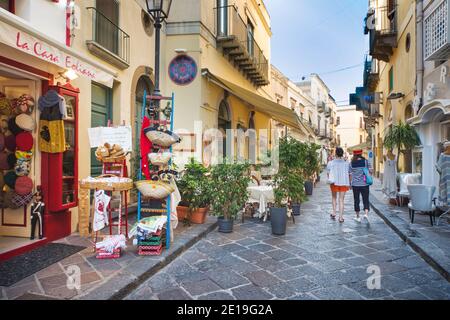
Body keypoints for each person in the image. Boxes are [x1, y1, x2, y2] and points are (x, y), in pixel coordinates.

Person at [327, 147, 351, 223]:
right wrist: (349, 182)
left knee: (334, 197)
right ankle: (341, 217)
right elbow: (349, 173)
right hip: (343, 182)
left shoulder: (331, 163)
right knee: (341, 200)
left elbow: (328, 173)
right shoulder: (346, 163)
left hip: (334, 182)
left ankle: (334, 213)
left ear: (336, 153)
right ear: (342, 153)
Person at [349, 150, 372, 222]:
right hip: (365, 184)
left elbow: (350, 174)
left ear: (354, 155)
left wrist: (350, 184)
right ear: (361, 154)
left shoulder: (351, 163)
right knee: (366, 199)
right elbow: (371, 171)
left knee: (356, 200)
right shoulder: (366, 161)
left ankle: (358, 217)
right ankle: (366, 214)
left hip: (355, 185)